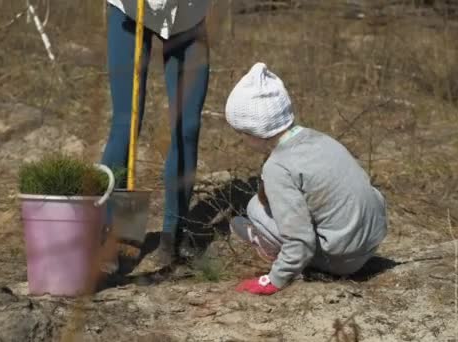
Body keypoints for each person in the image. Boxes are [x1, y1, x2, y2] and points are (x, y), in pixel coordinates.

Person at [225, 63, 388, 295]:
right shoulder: (319, 138)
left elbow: (300, 239)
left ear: (254, 133)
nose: (242, 140)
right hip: (370, 242)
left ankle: (272, 249)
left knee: (253, 207)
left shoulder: (278, 166)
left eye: (241, 134)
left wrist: (274, 280)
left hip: (343, 260)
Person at [102, 0, 210, 268]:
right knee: (126, 123)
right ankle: (107, 233)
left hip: (188, 15)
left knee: (187, 126)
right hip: (130, 12)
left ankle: (175, 233)